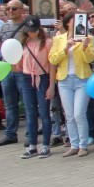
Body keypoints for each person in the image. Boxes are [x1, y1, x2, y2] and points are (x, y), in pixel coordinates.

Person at [48, 12, 94, 157]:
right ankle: (74, 144)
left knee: (79, 114)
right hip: (64, 80)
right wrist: (65, 49)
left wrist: (85, 47)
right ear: (68, 23)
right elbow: (52, 59)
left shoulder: (89, 38)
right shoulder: (58, 39)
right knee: (69, 115)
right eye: (74, 21)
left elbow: (90, 59)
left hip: (82, 79)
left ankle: (83, 145)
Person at [19, 15, 56, 159]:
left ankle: (45, 144)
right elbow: (19, 64)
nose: (31, 33)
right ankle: (32, 145)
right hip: (27, 77)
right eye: (29, 30)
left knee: (44, 112)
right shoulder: (23, 42)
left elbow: (52, 66)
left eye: (33, 30)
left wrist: (51, 85)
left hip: (42, 77)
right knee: (30, 112)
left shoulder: (47, 42)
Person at [0, 0, 26, 146]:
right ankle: (10, 134)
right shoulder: (4, 27)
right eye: (8, 9)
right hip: (7, 70)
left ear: (22, 10)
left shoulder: (27, 27)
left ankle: (30, 134)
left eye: (14, 8)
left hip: (23, 70)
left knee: (28, 104)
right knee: (10, 105)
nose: (10, 11)